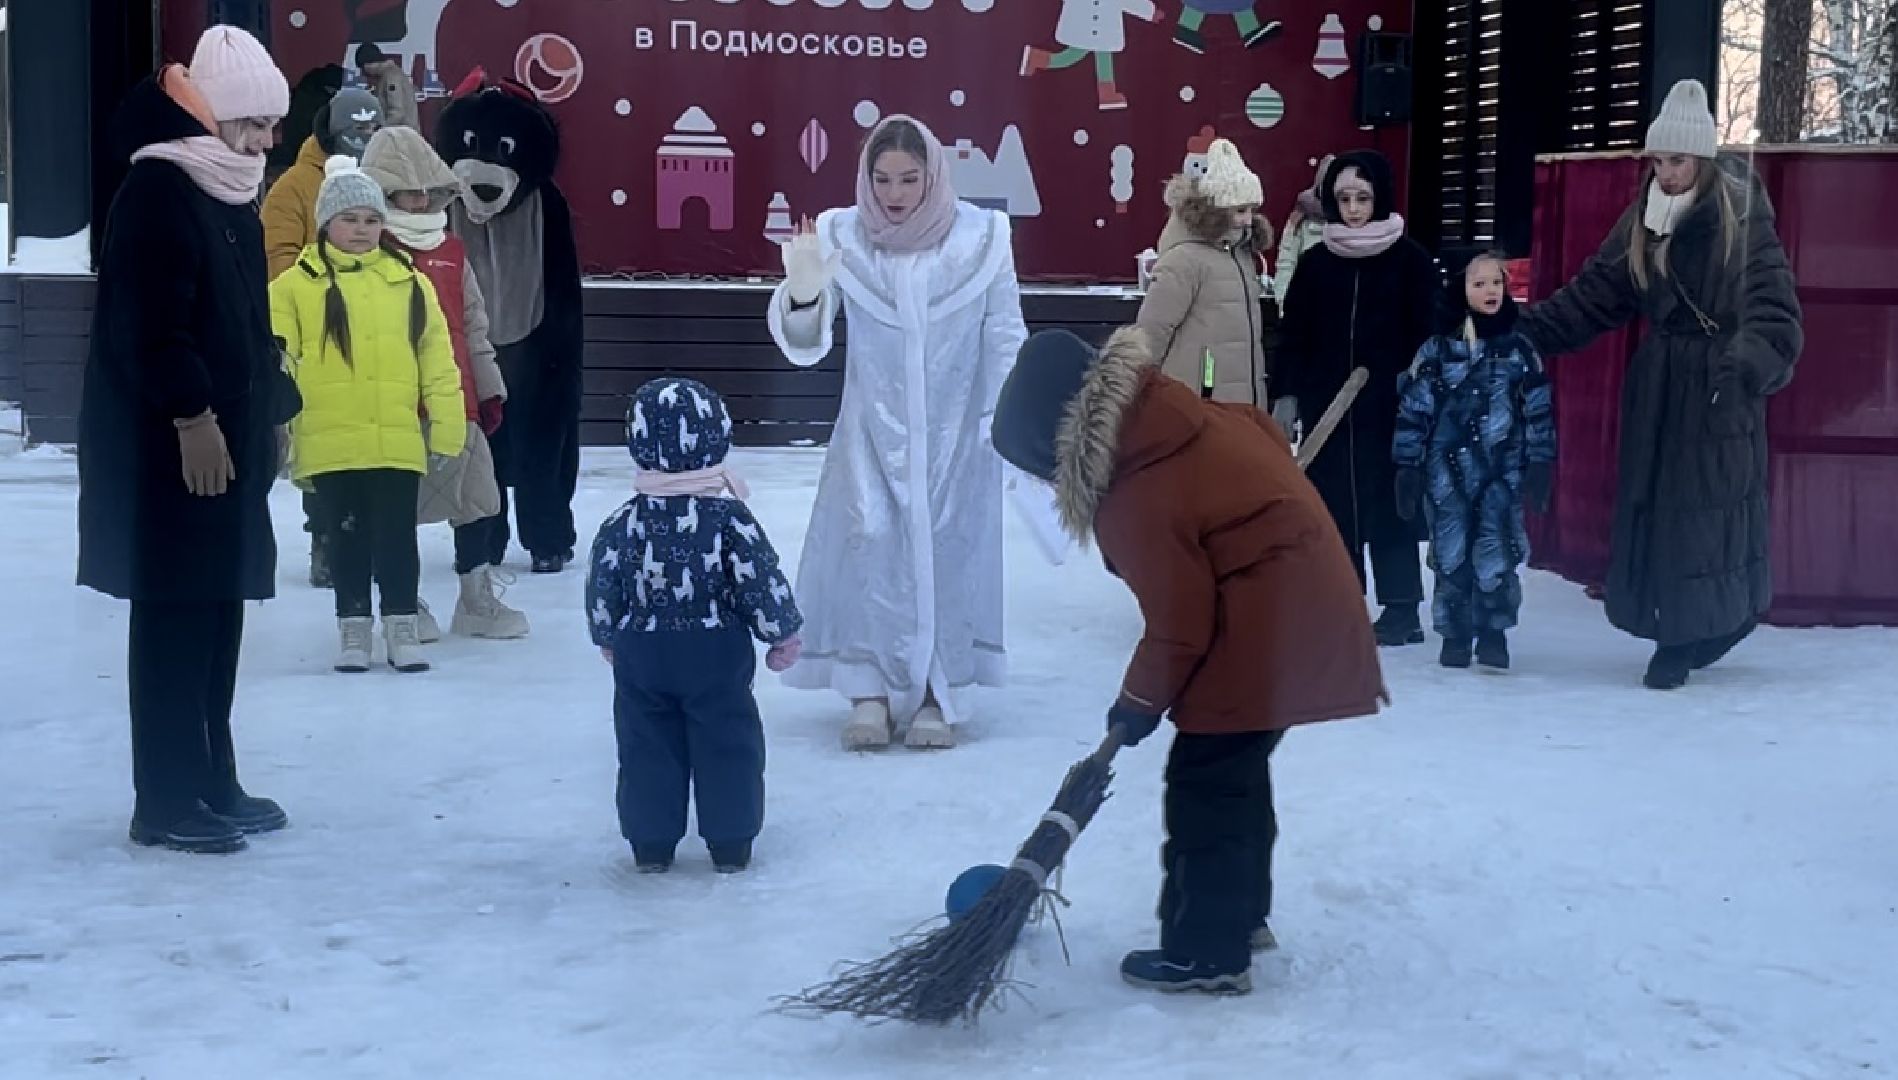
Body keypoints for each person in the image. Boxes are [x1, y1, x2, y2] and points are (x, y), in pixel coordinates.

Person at [989, 327, 1385, 995]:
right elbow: (1258, 427)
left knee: (1205, 786)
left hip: (1263, 624)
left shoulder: (1136, 490)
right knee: (1234, 773)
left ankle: (1208, 951)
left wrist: (1136, 705)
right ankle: (1240, 921)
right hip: (1296, 605)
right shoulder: (1171, 415)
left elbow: (1179, 624)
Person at [78, 28, 299, 854]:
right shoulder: (160, 191)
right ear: (211, 118)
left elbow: (251, 321)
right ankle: (164, 799)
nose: (267, 140)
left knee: (216, 616)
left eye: (272, 125)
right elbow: (150, 326)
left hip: (228, 443)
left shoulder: (230, 190)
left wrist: (272, 407)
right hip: (168, 453)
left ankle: (212, 777)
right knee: (174, 618)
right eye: (254, 123)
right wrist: (192, 417)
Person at [1517, 80, 1802, 690]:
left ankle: (1696, 633)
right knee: (1661, 509)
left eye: (1676, 160)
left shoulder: (1742, 220)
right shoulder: (1641, 222)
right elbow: (1594, 298)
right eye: (1658, 160)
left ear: (1700, 159)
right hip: (1660, 385)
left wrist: (1747, 365)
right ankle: (1678, 629)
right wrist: (1520, 331)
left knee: (1709, 514)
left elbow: (1775, 313)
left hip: (1722, 384)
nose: (1665, 173)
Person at [767, 115, 1027, 751]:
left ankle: (941, 691)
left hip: (957, 438)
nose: (895, 192)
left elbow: (1003, 333)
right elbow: (807, 344)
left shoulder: (982, 237)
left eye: (910, 178)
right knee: (871, 547)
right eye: (882, 178)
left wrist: (1004, 421)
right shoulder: (841, 236)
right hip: (870, 434)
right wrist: (802, 296)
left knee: (947, 552)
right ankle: (869, 691)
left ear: (933, 174)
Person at [586, 378, 804, 874]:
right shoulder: (729, 520)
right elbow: (758, 576)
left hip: (643, 648)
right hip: (715, 648)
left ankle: (651, 842)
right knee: (727, 740)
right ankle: (730, 840)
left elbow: (604, 579)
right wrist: (780, 631)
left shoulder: (624, 522)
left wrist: (606, 632)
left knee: (645, 744)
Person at [271, 157, 466, 674]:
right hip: (330, 438)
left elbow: (438, 361)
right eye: (350, 219)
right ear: (326, 223)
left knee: (398, 538)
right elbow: (275, 364)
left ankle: (401, 627)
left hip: (394, 439)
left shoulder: (409, 282)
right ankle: (353, 630)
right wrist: (275, 432)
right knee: (346, 538)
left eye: (372, 219)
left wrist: (448, 426)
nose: (361, 230)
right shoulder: (293, 286)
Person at [359, 124, 528, 641]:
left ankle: (475, 599)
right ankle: (404, 603)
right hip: (393, 404)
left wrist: (487, 384)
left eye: (428, 189)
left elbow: (471, 322)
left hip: (457, 397)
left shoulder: (452, 250)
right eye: (408, 191)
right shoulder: (365, 248)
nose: (420, 200)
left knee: (477, 497)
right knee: (396, 509)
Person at [1272, 149, 1438, 647]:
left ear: (1380, 197)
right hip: (1330, 407)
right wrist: (1287, 394)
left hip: (1391, 407)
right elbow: (1293, 334)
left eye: (1362, 198)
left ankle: (1401, 608)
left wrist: (1419, 379)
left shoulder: (1409, 260)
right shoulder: (1317, 262)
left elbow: (1429, 329)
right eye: (1343, 198)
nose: (1353, 208)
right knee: (1333, 507)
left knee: (1391, 506)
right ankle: (1340, 603)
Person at [1393, 249, 1557, 671]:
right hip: (1446, 474)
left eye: (1496, 283)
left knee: (1497, 554)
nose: (1489, 291)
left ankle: (1493, 632)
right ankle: (1455, 634)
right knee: (1450, 555)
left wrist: (1540, 462)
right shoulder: (1437, 351)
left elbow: (1538, 410)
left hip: (1502, 474)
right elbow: (1414, 411)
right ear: (1462, 290)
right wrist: (1406, 466)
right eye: (1479, 283)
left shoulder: (1520, 350)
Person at [1135, 137, 1270, 405]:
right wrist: (1143, 394)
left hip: (1241, 402)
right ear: (1217, 211)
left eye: (1252, 210)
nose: (1248, 219)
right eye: (1240, 210)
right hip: (1198, 402)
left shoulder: (1240, 254)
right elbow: (1152, 331)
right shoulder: (1183, 259)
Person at [1272, 155, 1333, 316]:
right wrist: (1282, 302)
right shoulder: (1299, 218)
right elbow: (1286, 261)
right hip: (1304, 304)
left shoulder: (1350, 219)